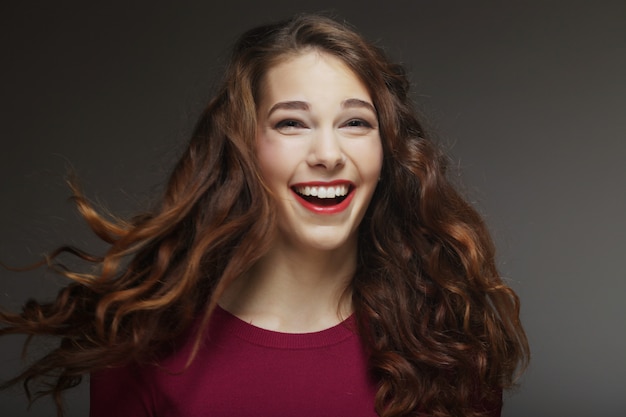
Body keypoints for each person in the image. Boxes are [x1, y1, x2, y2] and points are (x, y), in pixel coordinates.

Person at [0, 13, 529, 417]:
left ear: (387, 151)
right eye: (292, 124)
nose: (328, 153)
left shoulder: (446, 341)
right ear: (245, 148)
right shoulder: (144, 347)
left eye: (355, 123)